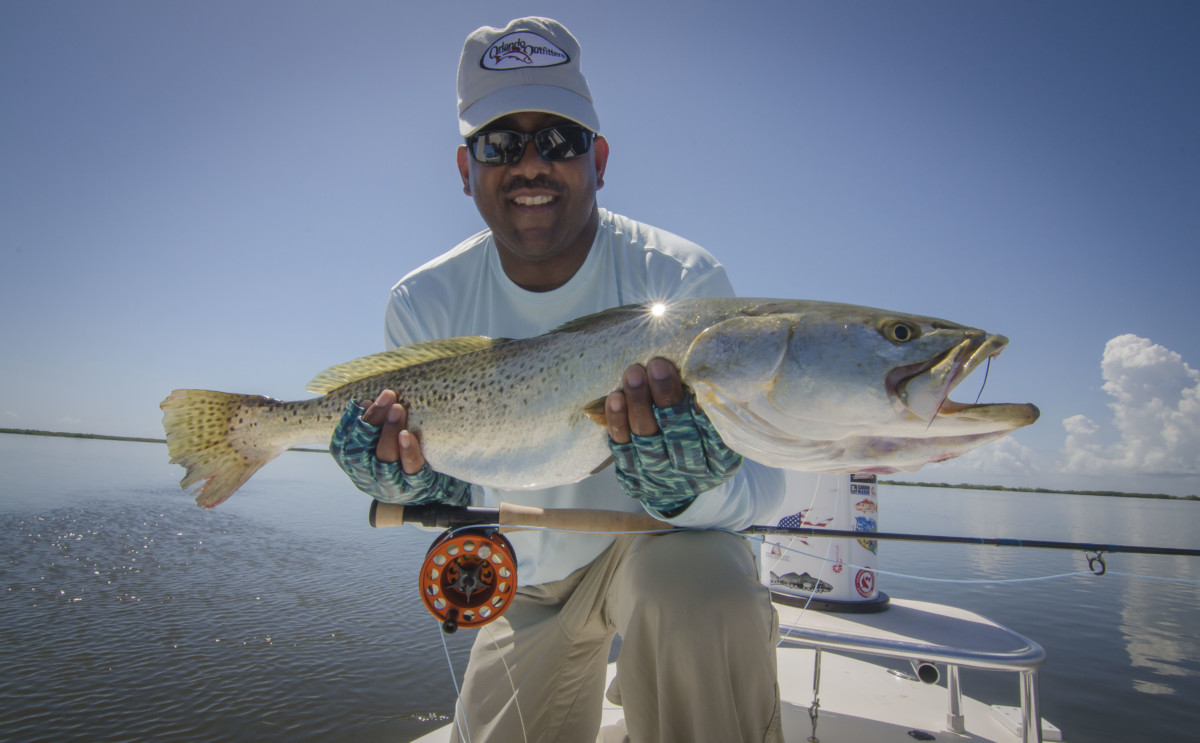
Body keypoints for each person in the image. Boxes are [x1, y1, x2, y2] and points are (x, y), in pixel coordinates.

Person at [331, 17, 786, 743]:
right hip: (532, 579)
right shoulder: (422, 303)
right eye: (501, 144)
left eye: (561, 140)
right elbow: (444, 472)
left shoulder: (683, 282)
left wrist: (694, 484)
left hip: (667, 547)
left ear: (599, 158)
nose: (532, 164)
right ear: (465, 169)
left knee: (702, 590)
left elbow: (765, 483)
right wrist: (415, 483)